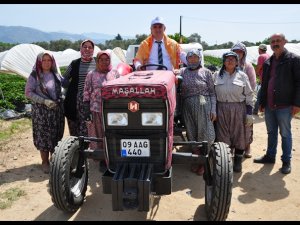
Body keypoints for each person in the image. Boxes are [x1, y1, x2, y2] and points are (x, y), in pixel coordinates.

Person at [254, 33, 300, 174]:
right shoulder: (268, 62)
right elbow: (264, 83)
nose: (275, 43)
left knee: (285, 134)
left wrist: (297, 104)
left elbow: (299, 83)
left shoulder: (294, 60)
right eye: (272, 41)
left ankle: (286, 161)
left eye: (278, 40)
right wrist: (261, 102)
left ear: (284, 42)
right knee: (271, 132)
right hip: (269, 105)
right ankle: (270, 156)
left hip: (285, 105)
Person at [25, 51, 65, 173]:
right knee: (43, 136)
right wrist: (43, 101)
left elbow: (64, 86)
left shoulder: (56, 75)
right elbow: (28, 93)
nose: (47, 63)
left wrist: (63, 94)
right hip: (41, 112)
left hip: (56, 111)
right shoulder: (34, 76)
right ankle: (45, 162)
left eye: (49, 60)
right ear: (39, 62)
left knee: (55, 135)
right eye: (44, 60)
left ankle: (54, 159)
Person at [214, 51, 254, 173]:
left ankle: (237, 161)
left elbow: (249, 94)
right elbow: (211, 94)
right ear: (224, 62)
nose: (230, 61)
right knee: (222, 135)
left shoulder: (242, 76)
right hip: (221, 108)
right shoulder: (216, 75)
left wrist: (249, 113)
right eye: (227, 59)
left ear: (237, 62)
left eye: (233, 59)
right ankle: (225, 161)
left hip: (238, 108)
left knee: (239, 135)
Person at [179, 49, 216, 176]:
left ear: (199, 58)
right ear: (187, 59)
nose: (193, 59)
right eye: (190, 57)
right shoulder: (183, 72)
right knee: (191, 133)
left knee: (206, 134)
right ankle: (197, 160)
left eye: (195, 57)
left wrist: (213, 109)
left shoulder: (206, 72)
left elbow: (212, 93)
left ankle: (204, 163)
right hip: (187, 106)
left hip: (203, 104)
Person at [83, 51, 120, 152]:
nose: (104, 62)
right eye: (101, 60)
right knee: (97, 135)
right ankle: (100, 158)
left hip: (112, 110)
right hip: (96, 110)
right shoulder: (91, 74)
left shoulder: (115, 73)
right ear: (97, 61)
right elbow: (86, 91)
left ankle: (113, 156)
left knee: (111, 134)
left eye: (107, 59)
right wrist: (86, 109)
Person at [62, 39, 96, 137]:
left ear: (93, 50)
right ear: (81, 49)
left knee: (90, 125)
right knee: (76, 126)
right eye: (85, 47)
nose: (87, 49)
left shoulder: (97, 62)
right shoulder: (75, 63)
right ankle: (77, 148)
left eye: (90, 47)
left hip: (92, 99)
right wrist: (66, 84)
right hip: (76, 99)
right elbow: (64, 78)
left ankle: (90, 147)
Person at [231, 42, 256, 159]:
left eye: (240, 51)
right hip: (232, 101)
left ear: (244, 53)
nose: (237, 53)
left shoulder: (248, 67)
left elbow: (252, 84)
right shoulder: (228, 64)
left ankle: (247, 146)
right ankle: (233, 147)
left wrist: (247, 101)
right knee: (233, 126)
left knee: (246, 125)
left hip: (244, 101)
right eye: (235, 51)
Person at [253, 44, 270, 115]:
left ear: (260, 49)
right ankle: (266, 110)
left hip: (264, 79)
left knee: (259, 95)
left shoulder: (261, 56)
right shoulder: (268, 56)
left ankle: (255, 111)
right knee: (267, 95)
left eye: (258, 49)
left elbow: (259, 67)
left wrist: (254, 74)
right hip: (269, 79)